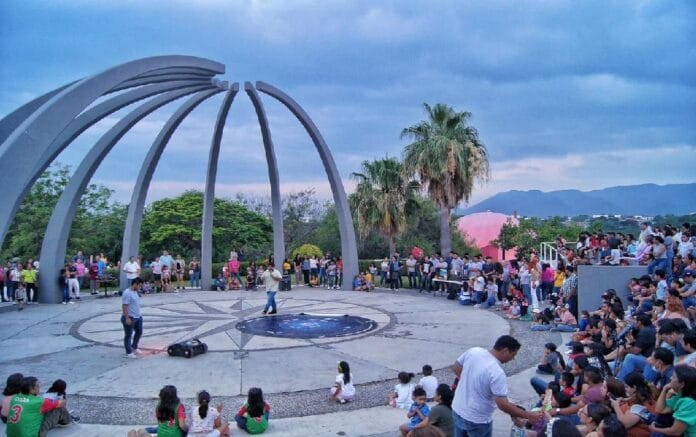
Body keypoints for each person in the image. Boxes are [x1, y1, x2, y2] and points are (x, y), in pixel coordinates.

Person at [451, 335, 542, 437]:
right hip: (477, 420)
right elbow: (503, 404)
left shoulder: (474, 351)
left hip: (458, 409)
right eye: (513, 354)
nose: (513, 359)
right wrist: (528, 415)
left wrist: (470, 381)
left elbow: (456, 367)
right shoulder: (496, 372)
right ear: (505, 350)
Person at [6, 376, 72, 437]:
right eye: (37, 385)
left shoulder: (14, 398)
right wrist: (61, 398)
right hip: (32, 435)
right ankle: (67, 422)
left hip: (11, 435)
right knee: (59, 408)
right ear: (32, 389)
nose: (39, 387)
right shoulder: (39, 401)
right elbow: (62, 403)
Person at [122, 277, 144, 358]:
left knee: (139, 332)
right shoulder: (127, 293)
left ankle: (134, 346)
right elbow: (125, 306)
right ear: (135, 284)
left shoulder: (136, 292)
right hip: (130, 317)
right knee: (128, 335)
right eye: (139, 286)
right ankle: (129, 352)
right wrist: (127, 318)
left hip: (138, 316)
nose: (140, 287)